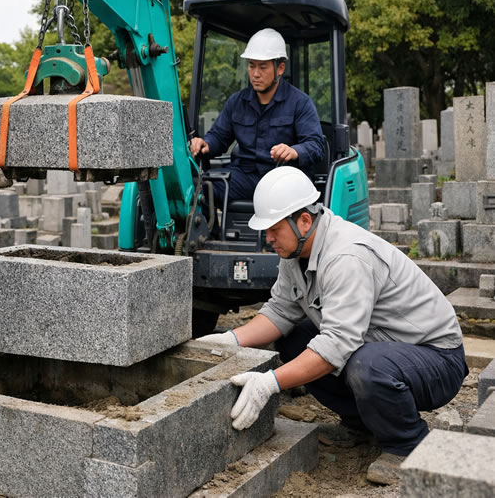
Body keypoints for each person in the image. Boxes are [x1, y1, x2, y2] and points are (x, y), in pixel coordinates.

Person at [200, 166, 467, 485]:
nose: (267, 238)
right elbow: (279, 312)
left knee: (366, 366)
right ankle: (361, 423)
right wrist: (228, 340)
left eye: (274, 229)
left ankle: (406, 445)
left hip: (436, 359)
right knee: (294, 339)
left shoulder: (345, 256)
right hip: (381, 347)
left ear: (304, 220)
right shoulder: (294, 253)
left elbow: (338, 345)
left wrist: (269, 383)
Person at [189, 28, 325, 205]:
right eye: (251, 65)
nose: (255, 74)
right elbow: (219, 136)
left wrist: (294, 151)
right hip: (244, 176)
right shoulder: (237, 102)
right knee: (200, 188)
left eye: (263, 67)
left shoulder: (300, 102)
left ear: (280, 68)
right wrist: (206, 144)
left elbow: (316, 145)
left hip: (283, 178)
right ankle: (207, 225)